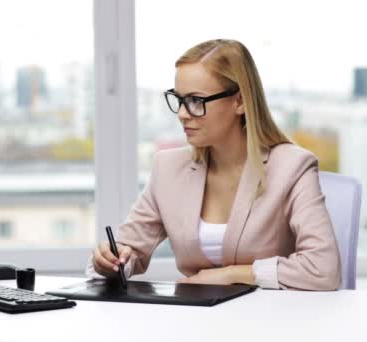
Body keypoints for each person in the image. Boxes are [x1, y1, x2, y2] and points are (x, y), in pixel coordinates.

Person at [86, 39, 341, 291]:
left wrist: (232, 274)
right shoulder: (169, 168)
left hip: (270, 322)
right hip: (197, 322)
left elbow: (323, 269)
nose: (183, 114)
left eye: (197, 101)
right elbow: (128, 252)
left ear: (239, 101)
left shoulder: (292, 166)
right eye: (179, 99)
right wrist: (110, 262)